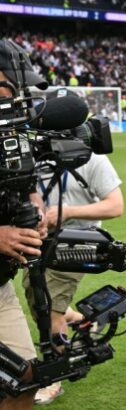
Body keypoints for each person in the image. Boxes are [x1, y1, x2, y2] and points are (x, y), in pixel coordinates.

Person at [23, 148, 123, 404]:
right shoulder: (31, 156)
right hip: (39, 242)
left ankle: (55, 376)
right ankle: (81, 320)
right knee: (37, 300)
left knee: (49, 310)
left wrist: (68, 212)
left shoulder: (93, 159)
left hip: (77, 244)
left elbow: (116, 205)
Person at [0, 38, 49, 410]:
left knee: (25, 380)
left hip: (0, 288)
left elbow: (26, 189)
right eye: (11, 88)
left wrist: (36, 212)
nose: (19, 99)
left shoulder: (11, 135)